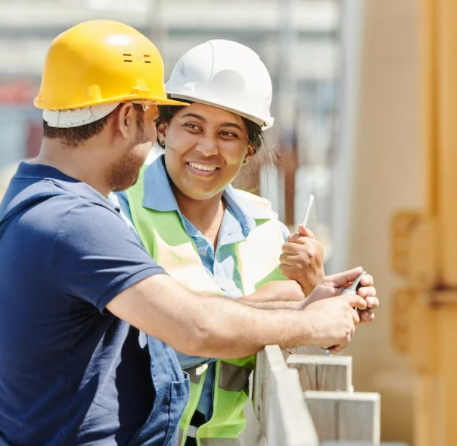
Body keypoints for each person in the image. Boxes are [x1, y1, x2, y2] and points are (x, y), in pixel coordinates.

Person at [0, 20, 373, 446]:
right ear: (128, 118)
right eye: (156, 118)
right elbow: (192, 328)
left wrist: (303, 302)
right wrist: (308, 322)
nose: (154, 138)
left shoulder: (40, 201)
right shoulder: (78, 222)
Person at [115, 39, 379, 446]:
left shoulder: (267, 230)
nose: (207, 147)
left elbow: (302, 339)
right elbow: (148, 345)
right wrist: (280, 305)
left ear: (249, 149)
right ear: (163, 129)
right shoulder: (122, 216)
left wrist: (321, 296)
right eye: (192, 125)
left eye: (228, 133)